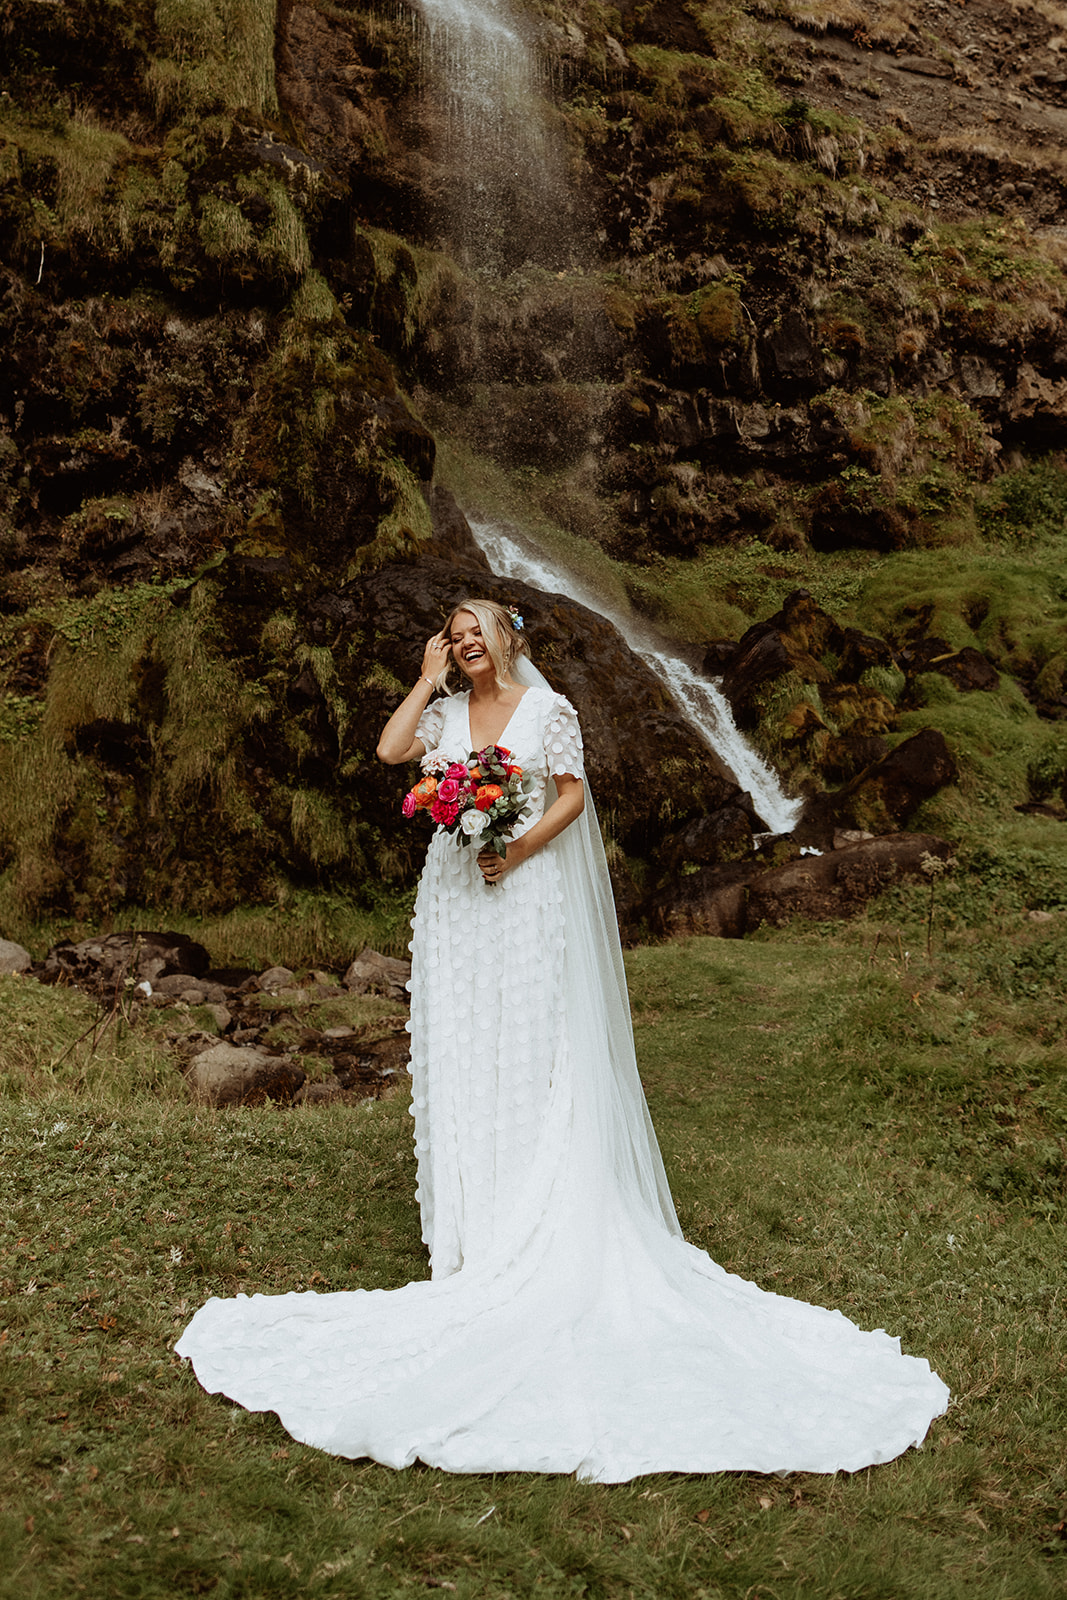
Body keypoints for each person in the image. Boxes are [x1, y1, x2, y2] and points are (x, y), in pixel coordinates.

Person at [176, 599, 949, 1480]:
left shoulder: (551, 712)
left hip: (522, 890)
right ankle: (479, 1229)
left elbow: (573, 799)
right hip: (455, 897)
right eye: (453, 633)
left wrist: (516, 850)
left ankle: (541, 1212)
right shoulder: (441, 712)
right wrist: (426, 680)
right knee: (466, 1037)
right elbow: (393, 756)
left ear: (510, 640)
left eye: (477, 631)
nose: (466, 642)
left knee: (533, 1041)